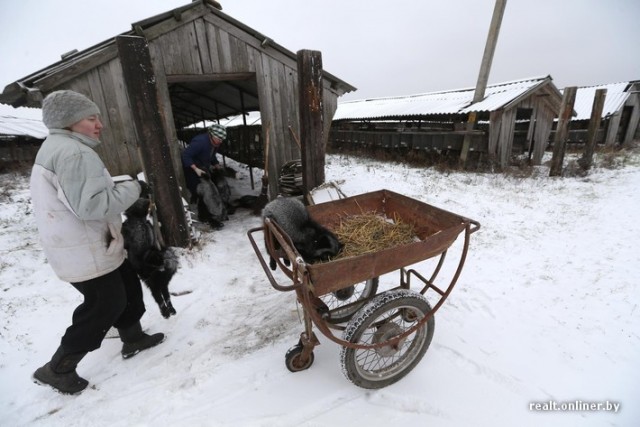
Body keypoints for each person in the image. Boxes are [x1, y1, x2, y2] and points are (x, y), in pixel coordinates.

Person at [30, 90, 165, 395]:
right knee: (105, 304)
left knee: (127, 285)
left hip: (86, 243)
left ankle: (133, 338)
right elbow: (90, 206)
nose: (99, 124)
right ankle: (58, 368)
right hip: (86, 248)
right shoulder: (74, 154)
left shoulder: (59, 147)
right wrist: (134, 187)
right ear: (69, 121)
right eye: (91, 118)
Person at [181, 123, 227, 203]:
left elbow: (211, 155)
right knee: (195, 186)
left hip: (203, 166)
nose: (221, 141)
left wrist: (216, 164)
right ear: (212, 135)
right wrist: (195, 169)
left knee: (207, 185)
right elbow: (186, 155)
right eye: (219, 139)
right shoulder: (200, 142)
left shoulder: (215, 143)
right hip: (192, 167)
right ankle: (195, 199)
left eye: (222, 139)